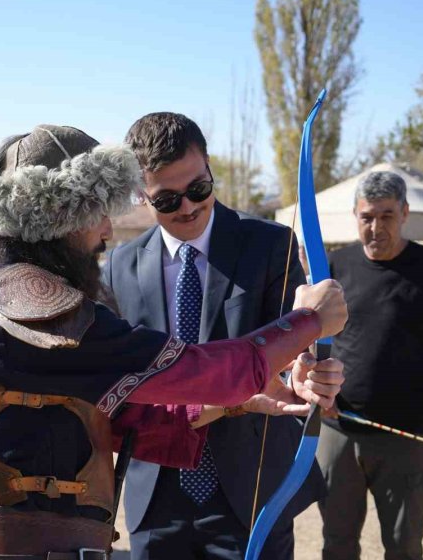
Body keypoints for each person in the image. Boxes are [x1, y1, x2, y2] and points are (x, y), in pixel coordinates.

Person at [0, 124, 348, 560]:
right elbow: (199, 371)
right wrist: (309, 320)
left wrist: (238, 401)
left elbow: (115, 415)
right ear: (62, 215)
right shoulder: (35, 306)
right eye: (97, 212)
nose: (108, 230)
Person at [105, 111, 327, 560]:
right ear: (140, 195)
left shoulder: (269, 244)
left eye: (198, 189)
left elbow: (296, 344)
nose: (187, 207)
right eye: (167, 199)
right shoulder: (119, 266)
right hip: (156, 495)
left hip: (251, 489)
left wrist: (308, 370)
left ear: (208, 167)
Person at [318, 171, 423, 560]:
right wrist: (320, 392)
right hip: (339, 430)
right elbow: (309, 344)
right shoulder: (334, 267)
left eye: (386, 216)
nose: (376, 227)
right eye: (367, 217)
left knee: (404, 546)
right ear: (354, 214)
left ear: (404, 212)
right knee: (337, 544)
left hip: (406, 436)